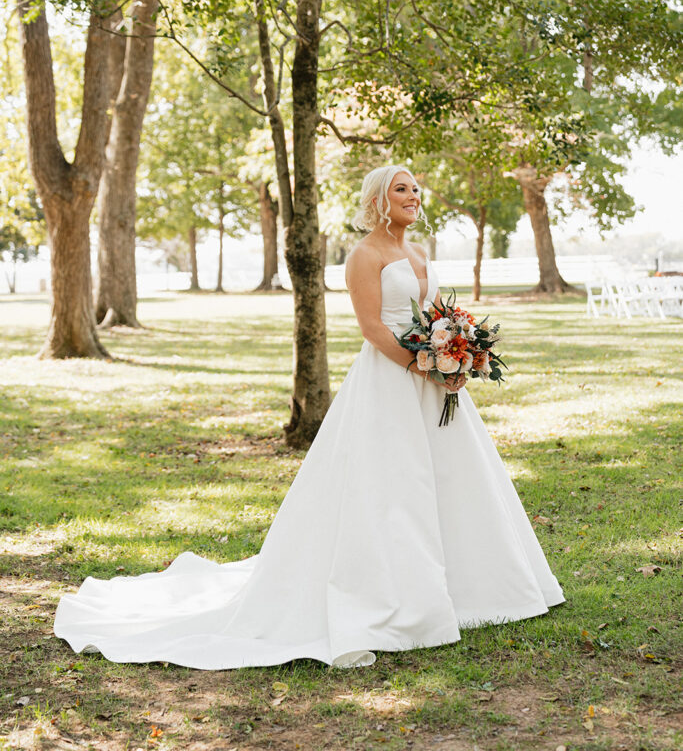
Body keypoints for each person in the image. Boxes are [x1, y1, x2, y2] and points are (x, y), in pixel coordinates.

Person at [53, 164, 565, 670]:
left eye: (415, 189)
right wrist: (424, 363)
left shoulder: (421, 252)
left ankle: (475, 592)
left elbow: (436, 318)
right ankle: (396, 596)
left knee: (455, 480)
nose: (413, 196)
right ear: (378, 200)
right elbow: (371, 327)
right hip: (391, 381)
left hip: (436, 386)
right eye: (400, 190)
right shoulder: (364, 256)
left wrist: (456, 356)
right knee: (393, 487)